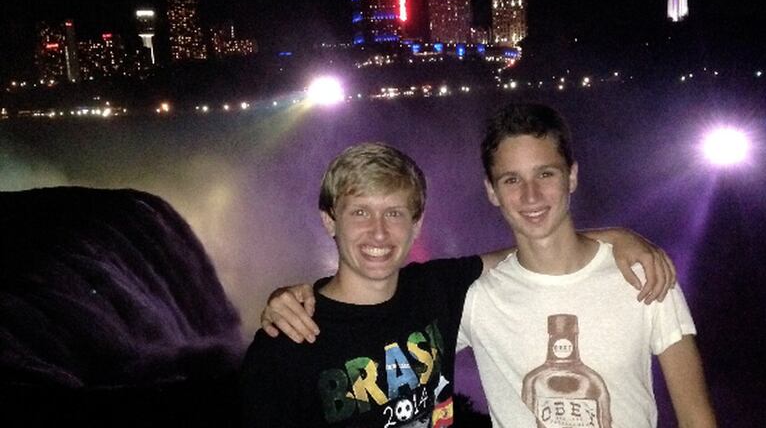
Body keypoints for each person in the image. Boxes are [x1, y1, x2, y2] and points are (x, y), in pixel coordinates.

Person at [243, 142, 675, 427]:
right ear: (329, 221)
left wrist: (616, 237)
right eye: (359, 213)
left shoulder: (437, 289)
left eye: (394, 213)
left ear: (417, 225)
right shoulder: (287, 339)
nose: (378, 233)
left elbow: (531, 251)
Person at [455, 103, 716, 427]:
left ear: (572, 176)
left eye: (545, 174)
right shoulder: (477, 300)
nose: (531, 195)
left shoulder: (642, 274)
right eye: (512, 180)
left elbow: (696, 417)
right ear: (491, 191)